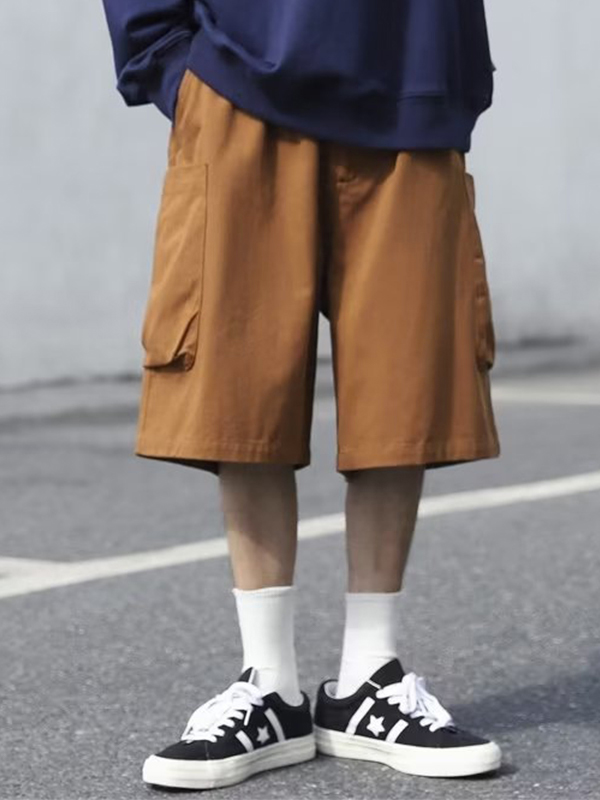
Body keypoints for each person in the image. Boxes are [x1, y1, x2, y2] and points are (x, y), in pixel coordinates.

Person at [102, 0, 502, 790]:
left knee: (403, 387)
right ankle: (268, 684)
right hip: (240, 80)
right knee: (240, 388)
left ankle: (368, 678)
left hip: (414, 82)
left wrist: (453, 69)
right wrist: (171, 65)